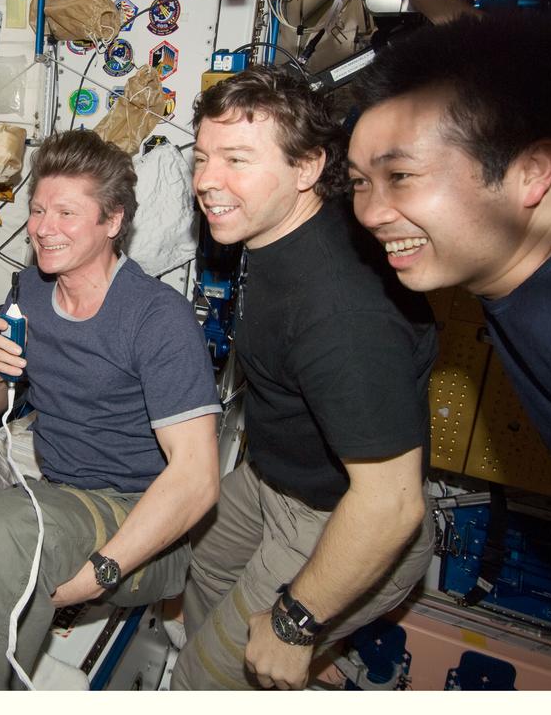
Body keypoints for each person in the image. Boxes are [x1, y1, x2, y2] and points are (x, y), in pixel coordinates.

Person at [0, 130, 222, 689]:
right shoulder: (28, 291)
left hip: (141, 524)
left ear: (113, 221)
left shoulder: (157, 318)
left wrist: (99, 574)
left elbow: (197, 480)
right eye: (38, 209)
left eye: (67, 213)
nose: (44, 227)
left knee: (7, 527)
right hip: (51, 502)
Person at [348, 14, 551, 592]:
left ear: (532, 173)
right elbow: (518, 90)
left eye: (400, 175)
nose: (370, 213)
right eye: (359, 182)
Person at [173, 68, 438, 690]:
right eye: (203, 157)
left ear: (306, 168)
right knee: (204, 573)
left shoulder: (339, 316)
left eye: (238, 159)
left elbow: (391, 504)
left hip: (341, 518)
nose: (207, 181)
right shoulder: (282, 228)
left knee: (200, 683)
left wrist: (293, 623)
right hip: (271, 480)